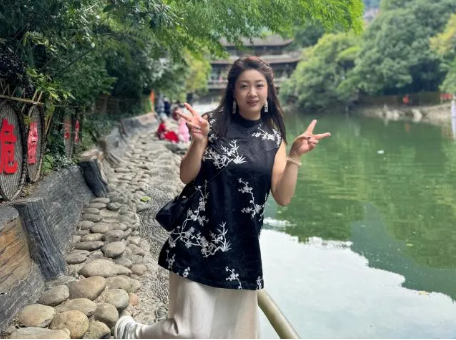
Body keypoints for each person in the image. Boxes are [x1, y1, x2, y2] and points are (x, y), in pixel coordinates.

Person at [115, 56, 330, 339]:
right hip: (197, 237)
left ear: (268, 90)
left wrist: (295, 157)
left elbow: (283, 197)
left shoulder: (274, 140)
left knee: (235, 333)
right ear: (233, 91)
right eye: (244, 86)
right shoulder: (211, 124)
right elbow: (186, 175)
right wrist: (199, 141)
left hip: (241, 245)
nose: (252, 93)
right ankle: (134, 333)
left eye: (259, 85)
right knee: (189, 332)